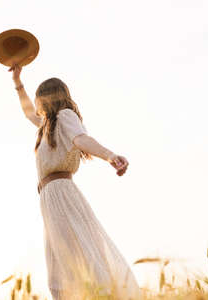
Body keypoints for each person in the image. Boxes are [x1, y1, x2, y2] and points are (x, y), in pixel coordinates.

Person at [9, 63, 142, 300]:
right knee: (59, 266)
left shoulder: (64, 116)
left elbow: (81, 139)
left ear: (48, 99)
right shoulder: (46, 125)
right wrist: (18, 82)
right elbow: (28, 112)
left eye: (40, 98)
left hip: (61, 193)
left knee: (76, 257)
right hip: (49, 197)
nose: (37, 104)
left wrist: (110, 156)